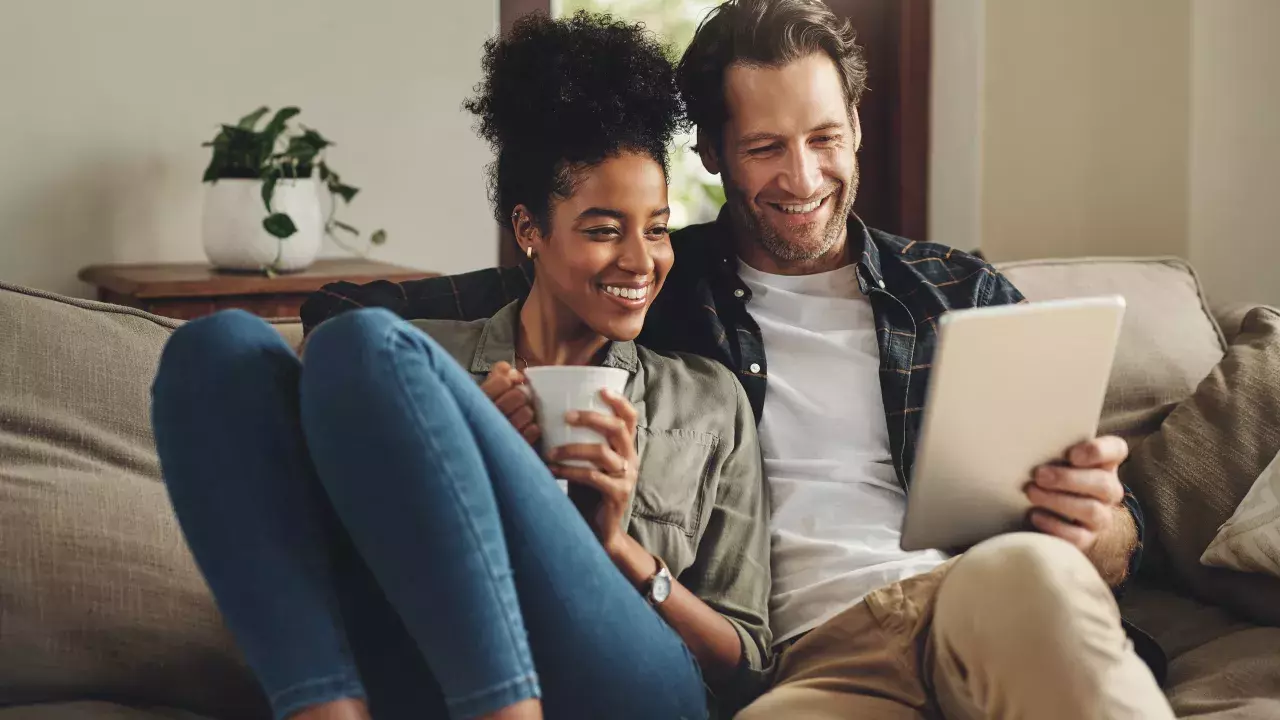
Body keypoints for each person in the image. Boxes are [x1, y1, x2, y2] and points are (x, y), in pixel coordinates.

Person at [301, 1, 1175, 718]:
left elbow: (1118, 528)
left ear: (858, 127)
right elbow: (356, 319)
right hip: (813, 664)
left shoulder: (956, 288)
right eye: (765, 148)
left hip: (982, 599)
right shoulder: (654, 285)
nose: (803, 177)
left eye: (825, 138)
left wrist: (1098, 521)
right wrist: (462, 405)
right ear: (712, 156)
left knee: (1034, 578)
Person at [153, 12, 771, 720]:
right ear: (528, 230)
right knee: (215, 348)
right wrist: (465, 444)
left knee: (363, 343)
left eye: (657, 229)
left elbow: (747, 662)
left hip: (631, 685)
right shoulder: (421, 367)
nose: (642, 261)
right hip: (426, 665)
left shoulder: (707, 400)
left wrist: (616, 547)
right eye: (604, 230)